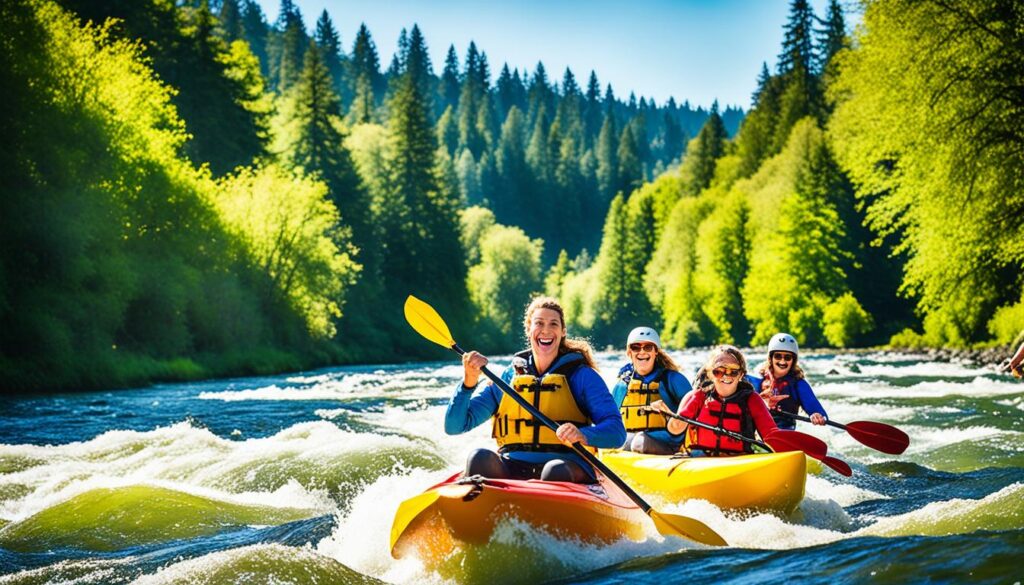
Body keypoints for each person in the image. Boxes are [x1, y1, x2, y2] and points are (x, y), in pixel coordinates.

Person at [445, 296, 626, 483]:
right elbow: (455, 426)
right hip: (513, 468)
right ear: (529, 330)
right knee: (478, 458)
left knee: (554, 470)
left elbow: (617, 432)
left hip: (567, 468)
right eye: (539, 323)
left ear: (563, 332)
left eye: (553, 324)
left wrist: (583, 435)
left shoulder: (582, 376)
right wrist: (469, 382)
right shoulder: (508, 378)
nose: (546, 330)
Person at [660, 345, 779, 456]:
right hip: (700, 459)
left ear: (741, 375)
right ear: (711, 373)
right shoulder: (698, 396)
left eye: (733, 371)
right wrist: (669, 412)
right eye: (719, 371)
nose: (726, 376)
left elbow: (772, 436)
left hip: (739, 460)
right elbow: (675, 430)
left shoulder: (752, 399)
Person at [612, 326, 692, 455]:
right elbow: (610, 418)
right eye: (636, 347)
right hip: (632, 443)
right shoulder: (622, 385)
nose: (642, 352)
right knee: (623, 440)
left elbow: (695, 411)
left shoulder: (673, 380)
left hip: (669, 443)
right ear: (629, 352)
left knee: (638, 441)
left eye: (648, 347)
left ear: (656, 352)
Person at [748, 333, 827, 431]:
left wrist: (817, 415)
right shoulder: (758, 379)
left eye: (787, 357)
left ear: (793, 360)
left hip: (785, 433)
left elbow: (817, 410)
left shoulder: (798, 384)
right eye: (777, 356)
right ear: (771, 358)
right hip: (758, 433)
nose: (782, 361)